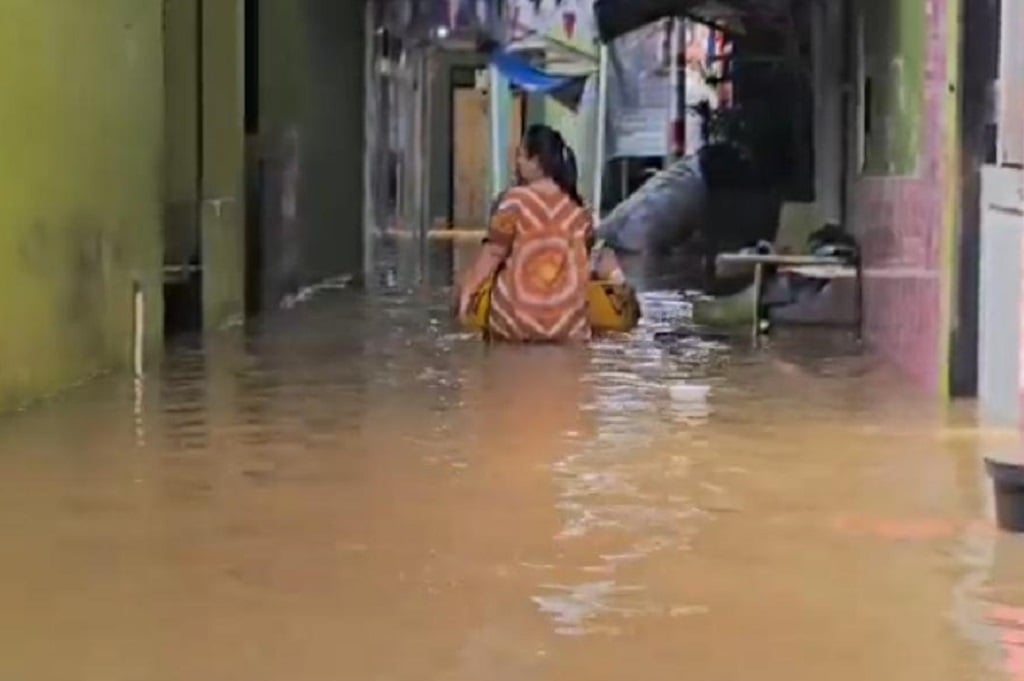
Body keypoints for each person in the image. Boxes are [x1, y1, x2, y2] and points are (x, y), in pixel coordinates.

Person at [458, 124, 624, 343]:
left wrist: (467, 293)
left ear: (536, 161)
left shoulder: (514, 202)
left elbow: (492, 254)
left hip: (516, 323)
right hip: (568, 326)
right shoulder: (578, 212)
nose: (517, 163)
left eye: (521, 156)